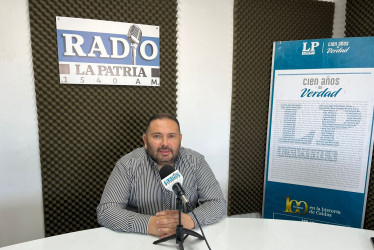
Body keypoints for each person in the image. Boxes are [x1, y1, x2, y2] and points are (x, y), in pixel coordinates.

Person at [97, 113, 226, 238]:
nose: (165, 143)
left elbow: (217, 203)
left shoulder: (196, 162)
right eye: (157, 136)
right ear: (145, 140)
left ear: (180, 140)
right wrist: (150, 224)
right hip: (140, 239)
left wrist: (190, 220)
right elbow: (106, 211)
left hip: (185, 238)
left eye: (171, 136)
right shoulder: (128, 165)